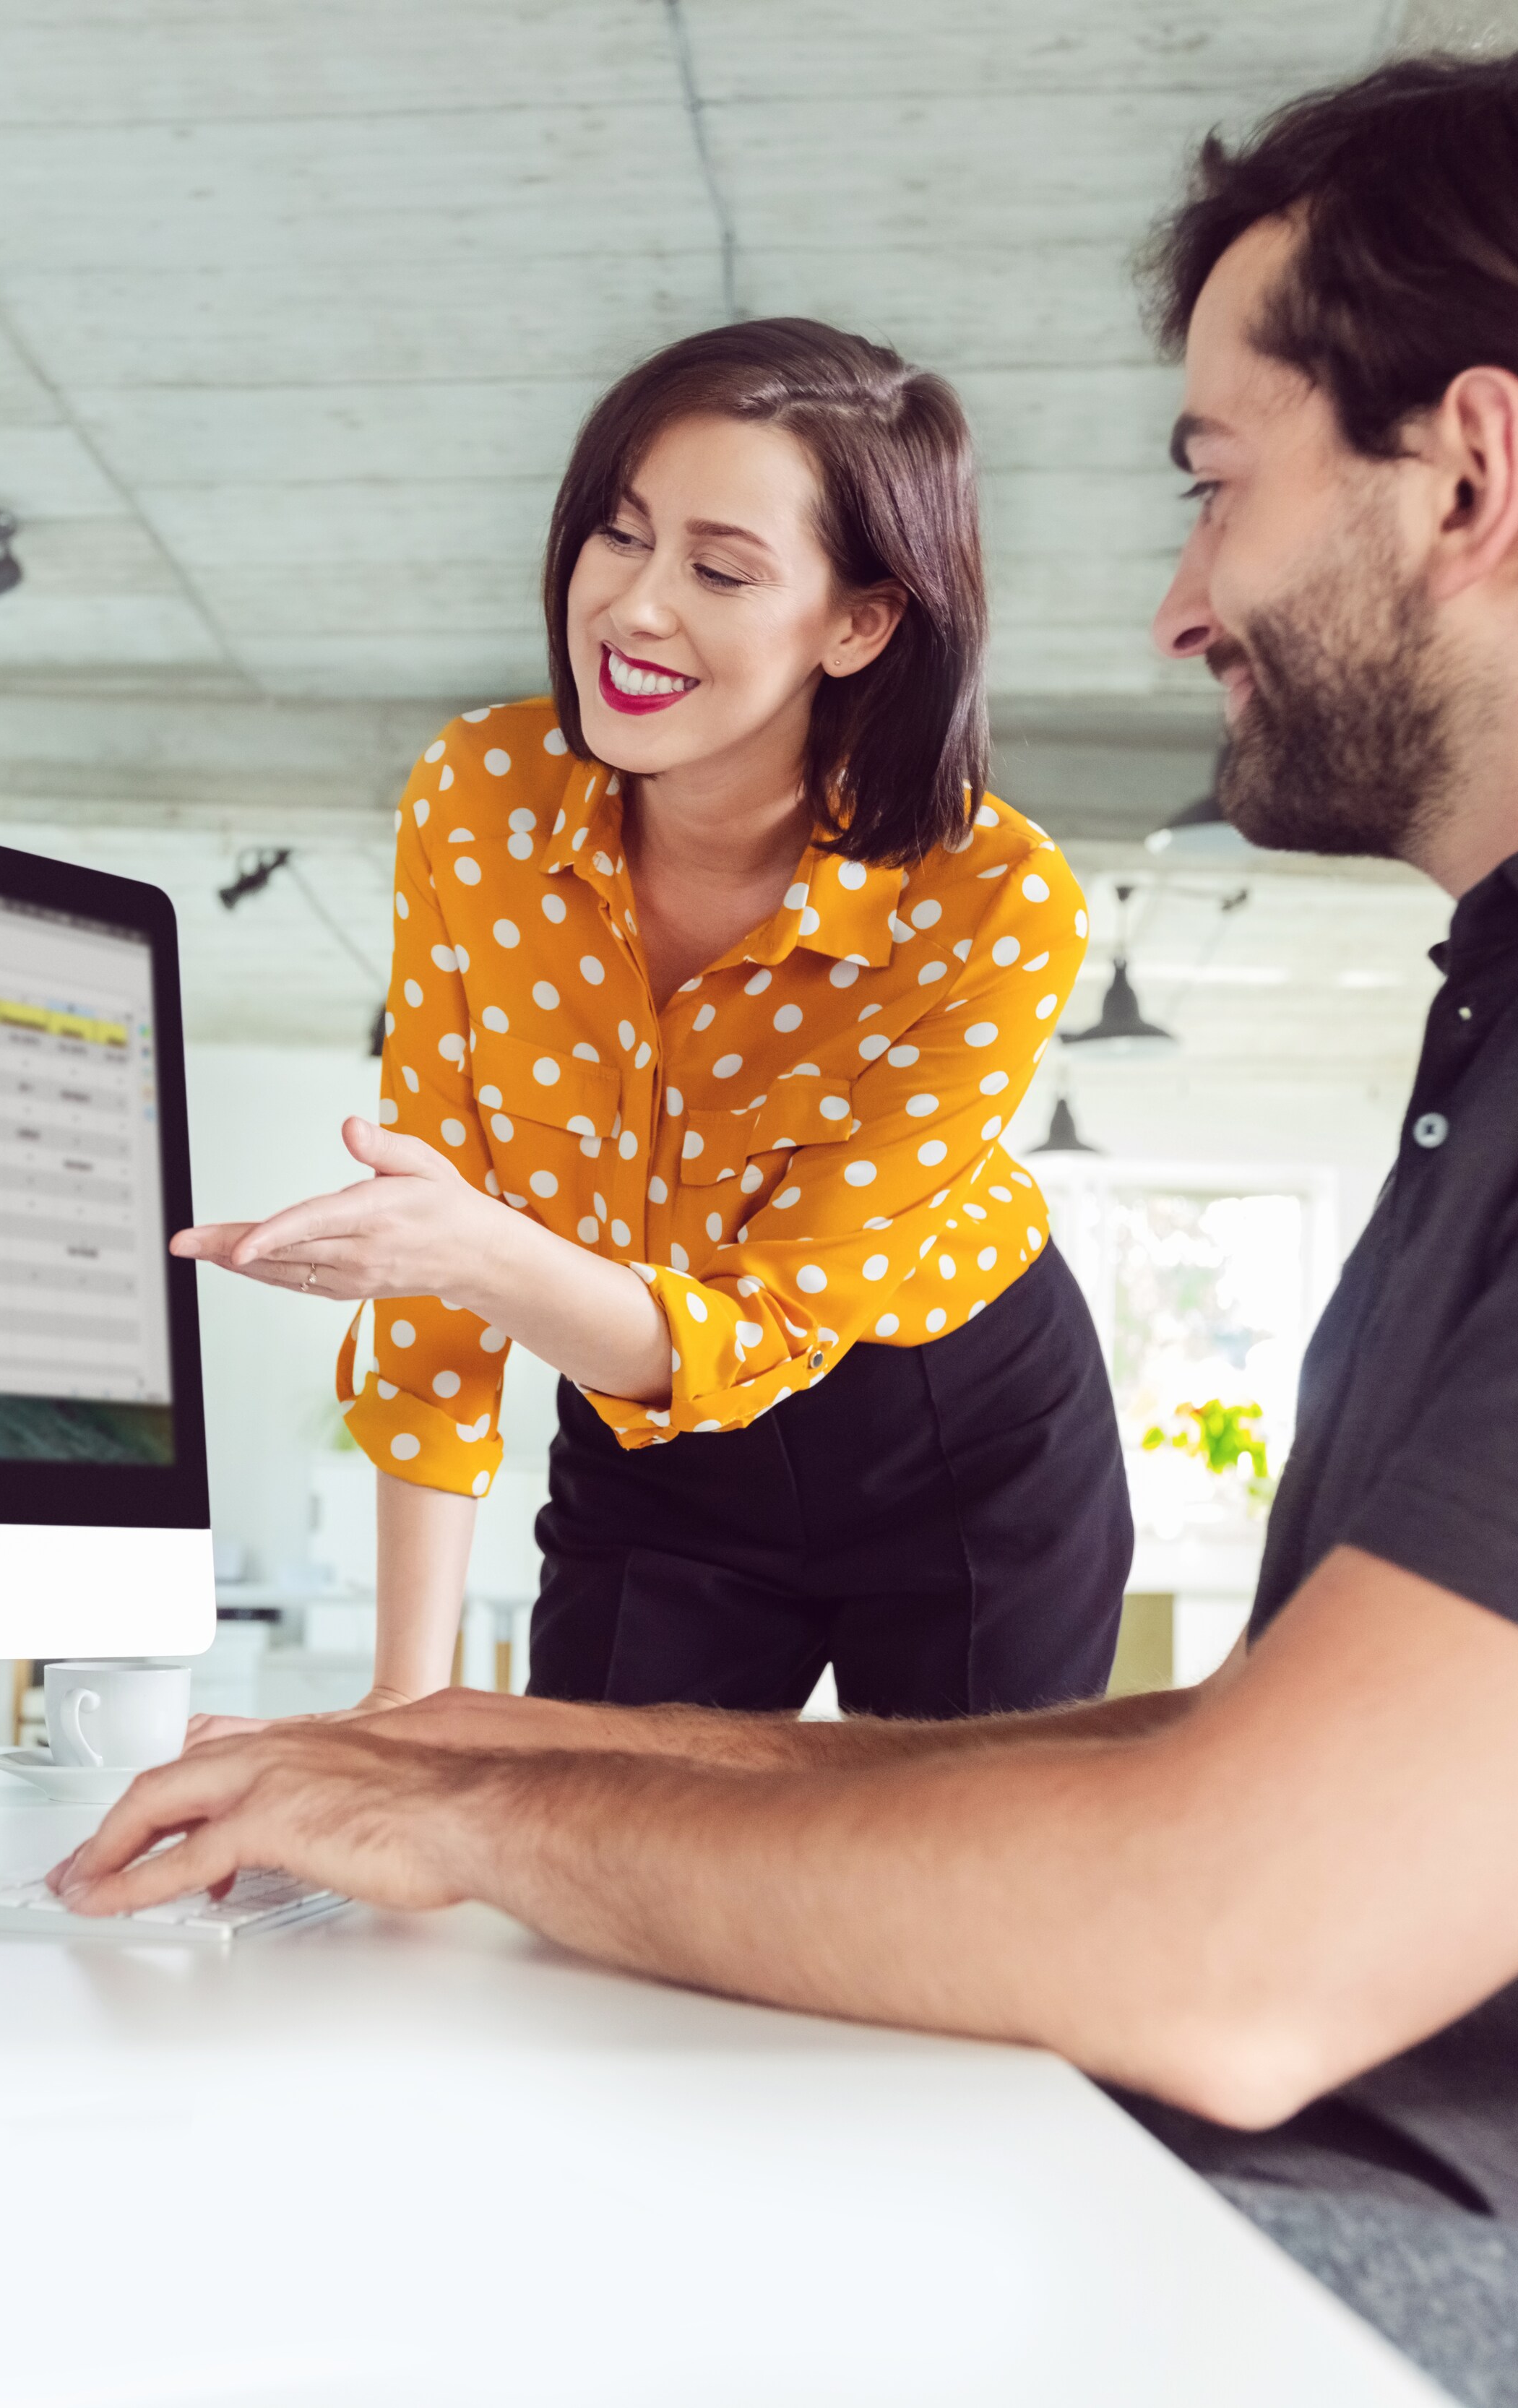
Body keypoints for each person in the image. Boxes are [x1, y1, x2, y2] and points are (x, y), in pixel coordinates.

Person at [72, 46, 1518, 2408]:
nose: (1187, 606)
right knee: (465, 2082)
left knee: (357, 2259)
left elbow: (1235, 1933)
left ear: (1472, 474)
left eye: (1222, 489)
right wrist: (492, 1755)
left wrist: (494, 1804)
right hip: (1306, 2219)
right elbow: (1228, 1773)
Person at [175, 320, 1131, 1725]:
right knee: (583, 1861)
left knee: (936, 1905)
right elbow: (438, 1233)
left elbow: (764, 1323)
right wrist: (402, 1698)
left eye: (720, 569)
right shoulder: (478, 794)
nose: (631, 606)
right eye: (616, 536)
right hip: (637, 1428)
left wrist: (477, 1247)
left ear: (859, 621)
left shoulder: (991, 902)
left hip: (945, 1439)